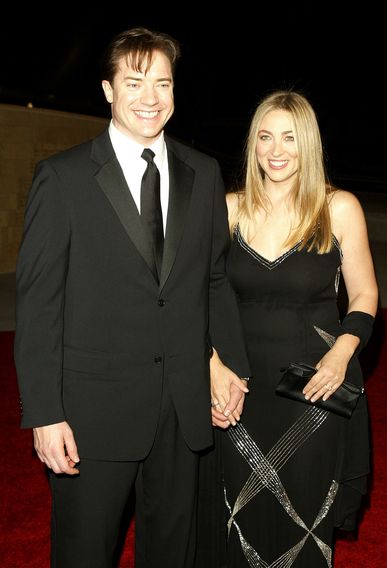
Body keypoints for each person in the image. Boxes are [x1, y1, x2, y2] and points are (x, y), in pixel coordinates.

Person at [14, 27, 250, 568]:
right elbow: (39, 306)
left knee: (173, 554)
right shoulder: (63, 178)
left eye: (163, 84)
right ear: (107, 89)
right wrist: (45, 414)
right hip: (93, 415)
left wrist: (229, 363)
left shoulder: (205, 173)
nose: (151, 98)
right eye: (135, 81)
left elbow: (212, 280)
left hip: (181, 409)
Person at [210, 90, 378, 567]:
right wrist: (213, 367)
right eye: (265, 137)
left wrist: (342, 353)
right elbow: (197, 299)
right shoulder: (228, 209)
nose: (276, 150)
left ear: (308, 143)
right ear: (253, 144)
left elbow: (364, 295)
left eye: (289, 137)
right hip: (238, 388)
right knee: (237, 517)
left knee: (304, 517)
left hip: (313, 387)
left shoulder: (338, 207)